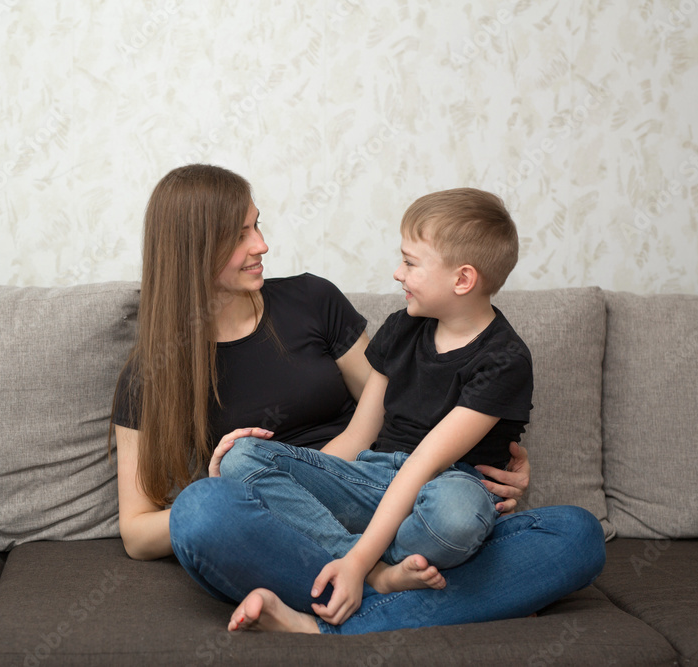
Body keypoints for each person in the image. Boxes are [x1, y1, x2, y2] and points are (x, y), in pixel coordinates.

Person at [112, 163, 604, 635]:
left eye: (256, 226)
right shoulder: (149, 373)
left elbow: (402, 414)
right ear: (193, 248)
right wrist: (233, 485)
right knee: (202, 510)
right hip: (288, 523)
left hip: (389, 494)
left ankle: (331, 614)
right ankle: (405, 588)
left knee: (578, 535)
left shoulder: (312, 299)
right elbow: (136, 534)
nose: (262, 244)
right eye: (240, 234)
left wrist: (489, 460)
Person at [217, 187, 536, 629]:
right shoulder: (400, 328)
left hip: (445, 487)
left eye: (409, 262)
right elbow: (358, 435)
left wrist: (356, 557)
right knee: (242, 456)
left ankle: (352, 565)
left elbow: (426, 461)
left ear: (462, 280)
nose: (396, 273)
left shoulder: (505, 360)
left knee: (457, 517)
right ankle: (384, 576)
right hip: (373, 479)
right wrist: (297, 475)